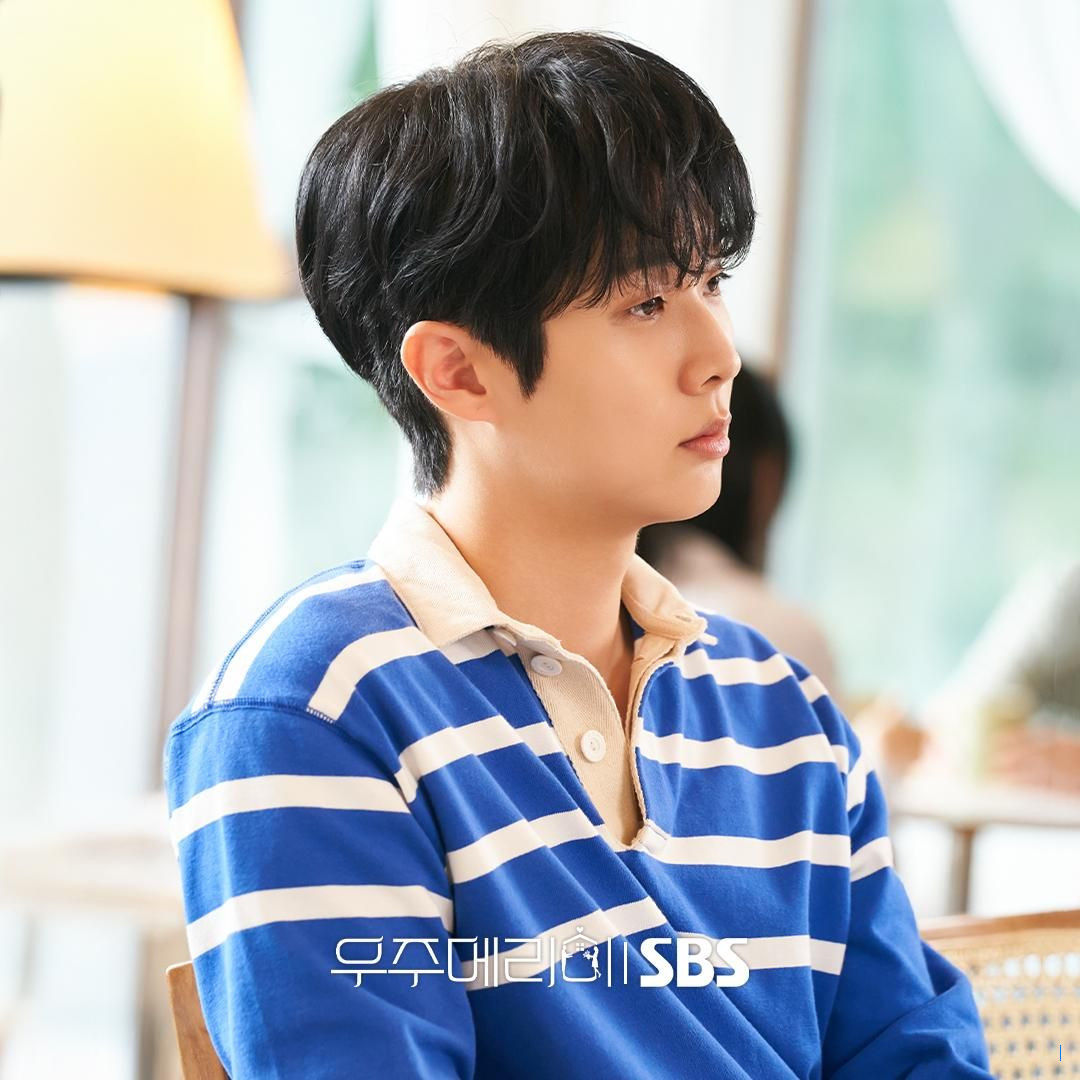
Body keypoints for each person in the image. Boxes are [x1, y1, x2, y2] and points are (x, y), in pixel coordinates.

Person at [162, 31, 992, 1078]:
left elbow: (916, 1058)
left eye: (712, 282)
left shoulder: (783, 712)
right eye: (645, 303)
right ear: (458, 371)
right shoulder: (316, 707)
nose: (719, 356)